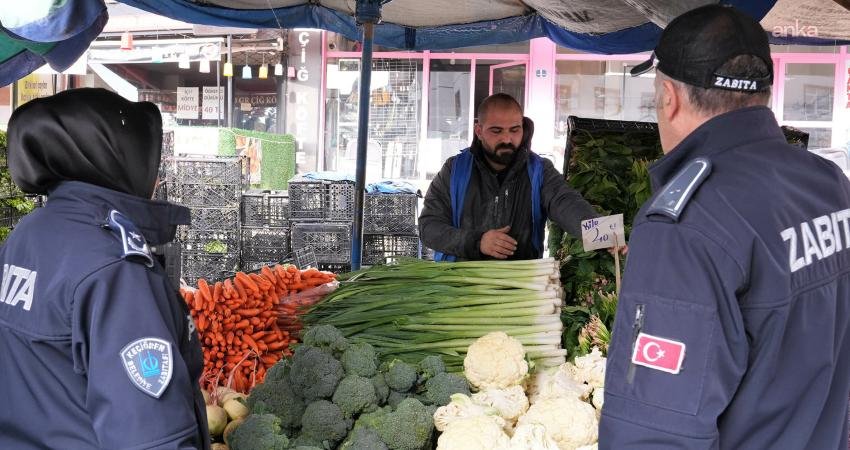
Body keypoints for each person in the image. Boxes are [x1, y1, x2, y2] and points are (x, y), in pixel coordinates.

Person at [600, 5, 850, 449]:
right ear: (764, 94)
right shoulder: (829, 185)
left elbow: (656, 435)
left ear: (669, 97)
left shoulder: (687, 223)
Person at [0, 88, 210, 449]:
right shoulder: (116, 269)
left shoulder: (29, 233)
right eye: (149, 159)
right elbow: (151, 437)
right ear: (115, 159)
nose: (156, 175)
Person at [419, 93, 598, 261]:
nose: (507, 139)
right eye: (496, 131)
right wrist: (477, 242)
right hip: (460, 286)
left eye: (514, 130)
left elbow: (565, 202)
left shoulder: (539, 170)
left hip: (522, 286)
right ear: (479, 131)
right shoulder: (454, 170)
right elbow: (429, 228)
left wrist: (602, 234)